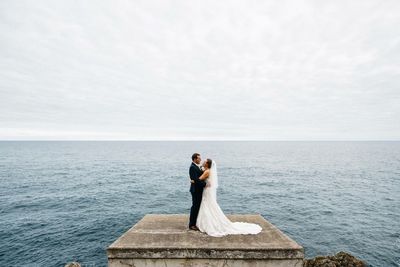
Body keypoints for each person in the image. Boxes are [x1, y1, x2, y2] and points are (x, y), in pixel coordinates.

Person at [195, 158, 262, 237]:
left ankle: (208, 224)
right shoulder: (207, 170)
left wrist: (192, 180)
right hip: (208, 190)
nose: (203, 161)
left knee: (207, 205)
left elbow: (199, 179)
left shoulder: (207, 171)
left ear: (207, 164)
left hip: (207, 191)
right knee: (209, 205)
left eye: (205, 161)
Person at [188, 153, 207, 231]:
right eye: (199, 158)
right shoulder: (192, 167)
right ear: (195, 159)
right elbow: (196, 180)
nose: (200, 159)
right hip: (195, 190)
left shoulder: (196, 166)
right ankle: (192, 224)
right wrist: (205, 184)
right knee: (195, 207)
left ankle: (195, 222)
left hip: (198, 190)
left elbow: (196, 179)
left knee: (197, 207)